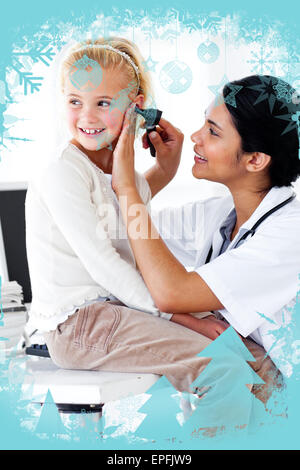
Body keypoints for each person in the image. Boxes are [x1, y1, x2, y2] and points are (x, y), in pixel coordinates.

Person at [25, 37, 280, 430]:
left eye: (104, 103)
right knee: (226, 371)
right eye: (75, 101)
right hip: (80, 325)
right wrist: (187, 318)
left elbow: (130, 237)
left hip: (120, 310)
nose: (87, 116)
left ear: (135, 106)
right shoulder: (62, 171)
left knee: (257, 362)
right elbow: (106, 264)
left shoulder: (123, 175)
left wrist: (157, 174)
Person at [111, 74, 300, 380]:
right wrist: (160, 173)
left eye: (213, 132)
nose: (195, 137)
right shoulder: (220, 213)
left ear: (255, 160)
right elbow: (118, 226)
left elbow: (171, 293)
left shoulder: (290, 235)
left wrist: (128, 188)